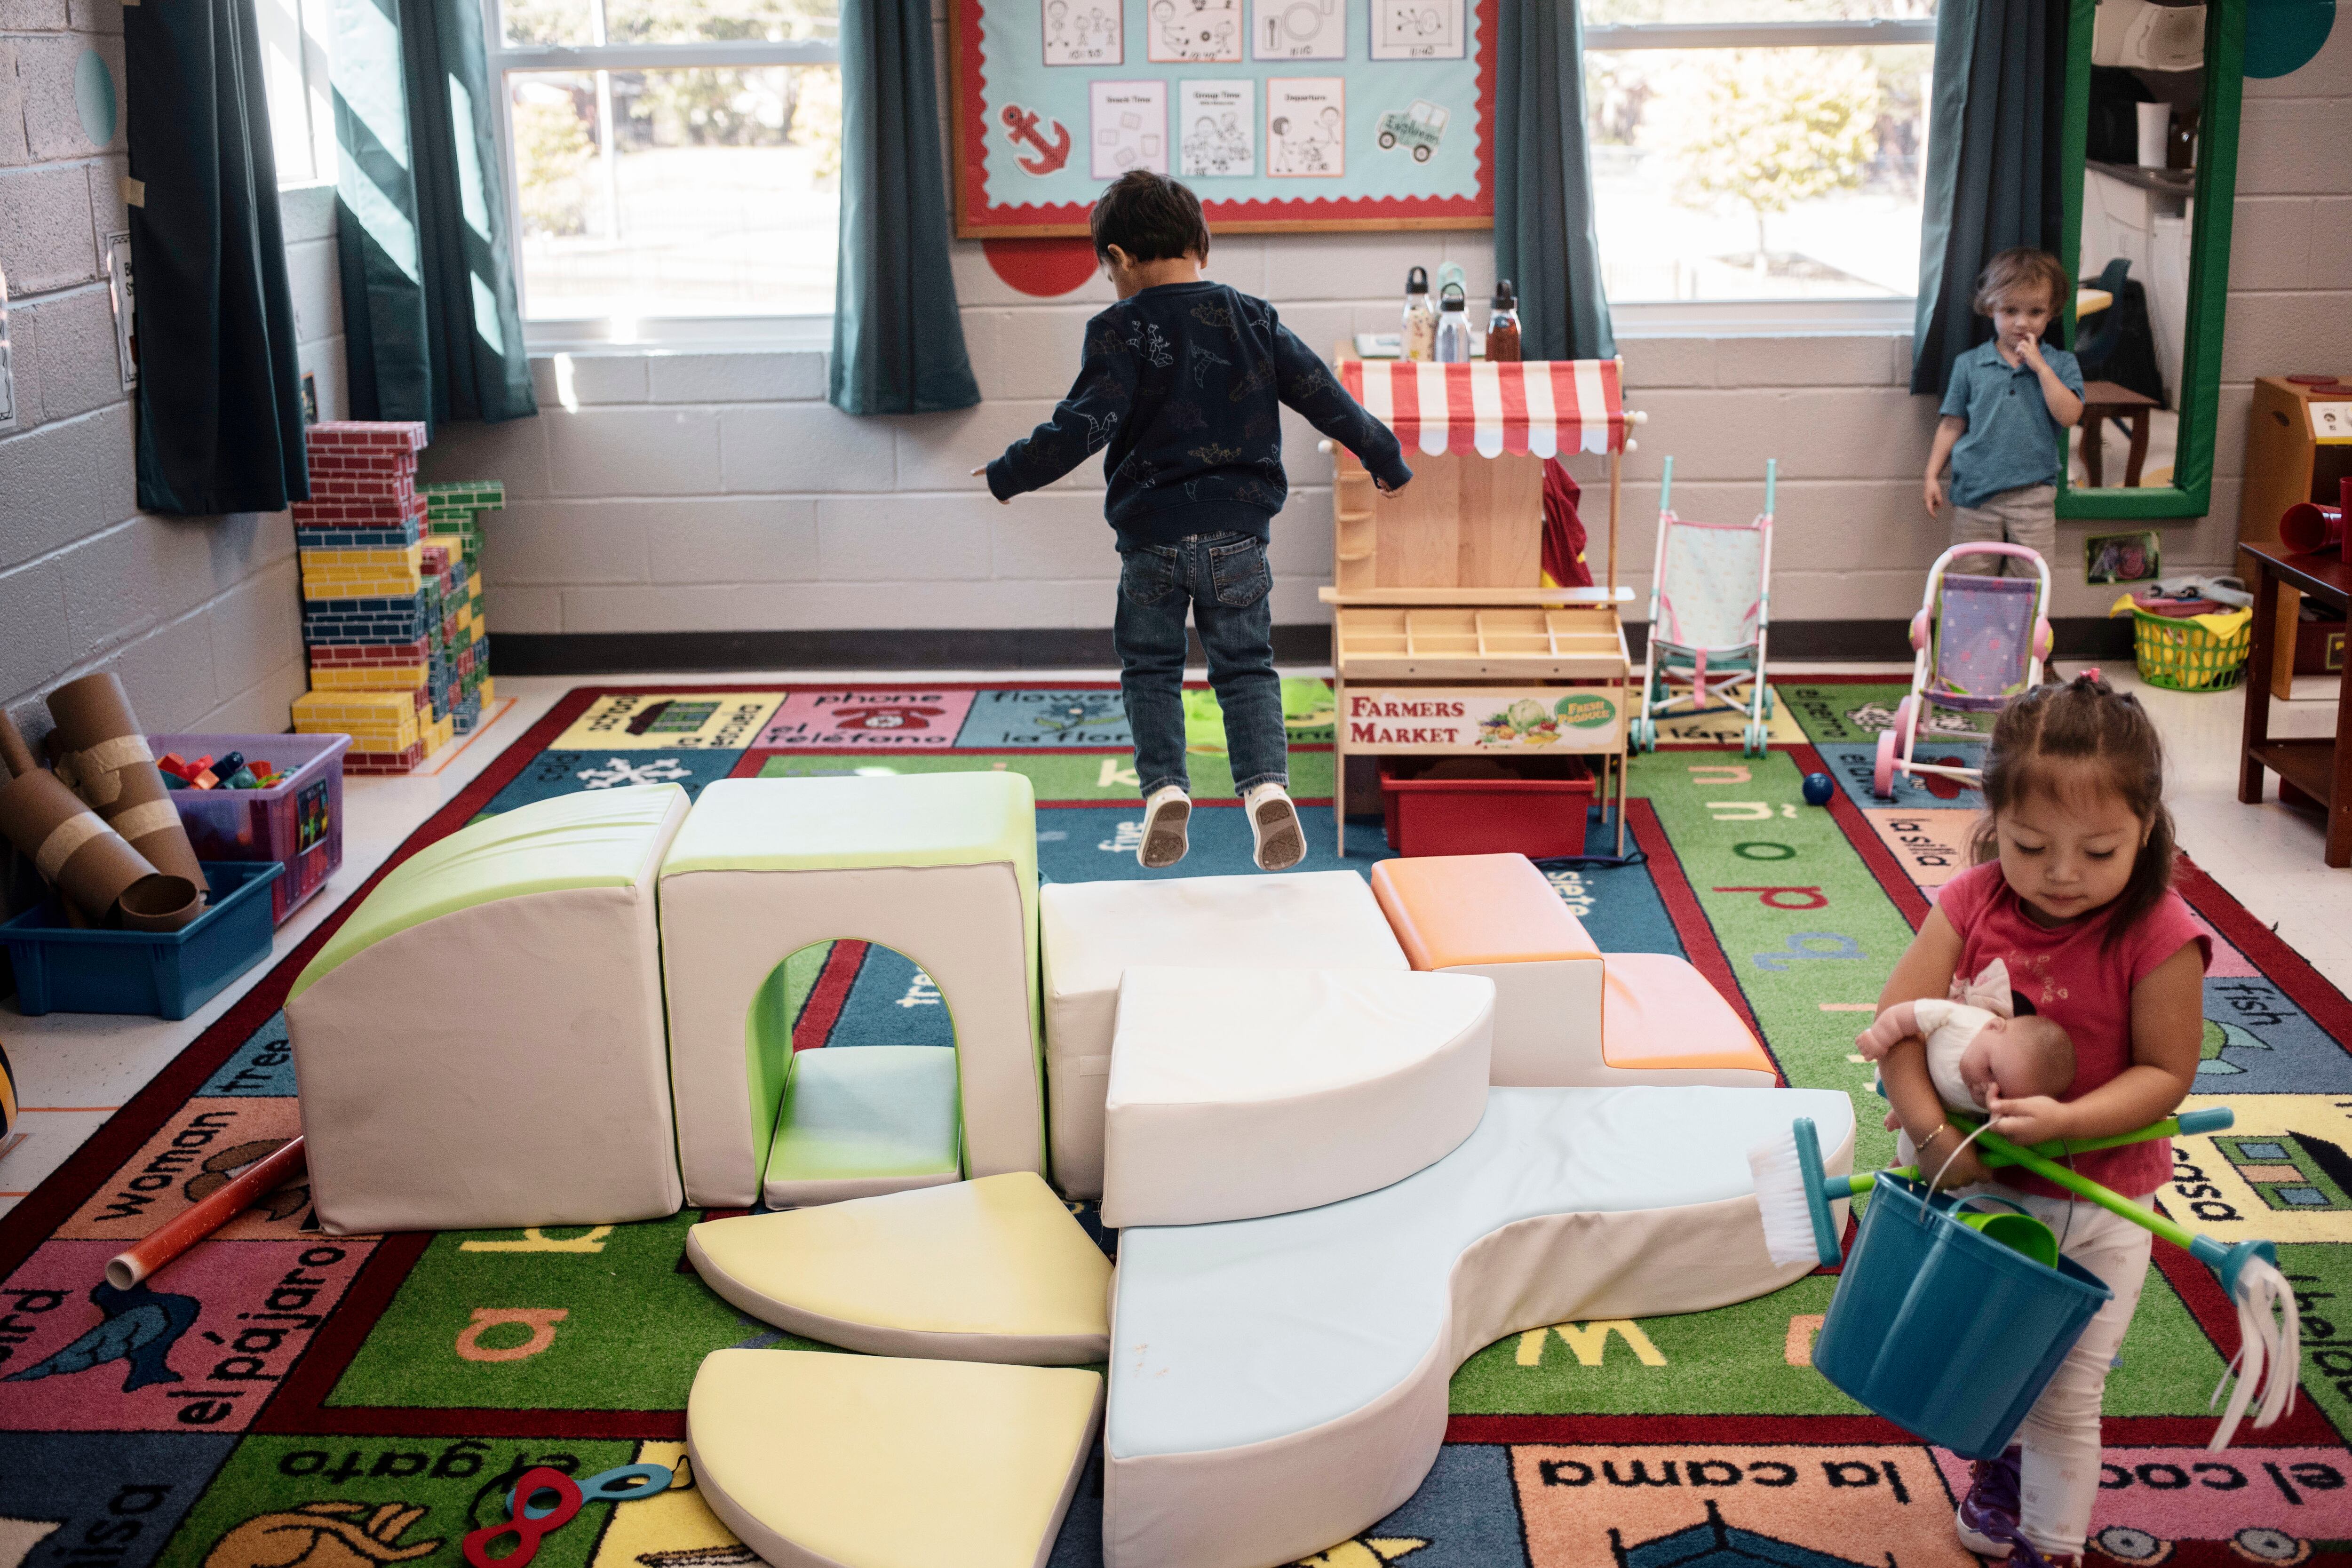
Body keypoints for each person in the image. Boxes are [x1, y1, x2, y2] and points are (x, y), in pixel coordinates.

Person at [1867, 671, 2209, 1568]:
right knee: (1981, 1358)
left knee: (2067, 1393)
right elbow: (1896, 1030)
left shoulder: (2160, 930)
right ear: (1993, 822)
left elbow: (2167, 1071)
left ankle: (2052, 1548)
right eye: (2030, 845)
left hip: (2098, 1204)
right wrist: (1937, 1139)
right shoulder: (1973, 901)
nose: (2063, 874)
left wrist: (2067, 1121)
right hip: (1980, 1199)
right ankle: (2002, 1466)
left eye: (2099, 851)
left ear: (2147, 828)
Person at [975, 171, 1411, 870]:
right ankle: (1267, 788)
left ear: (1117, 259)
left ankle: (1163, 792)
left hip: (1151, 541)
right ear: (1202, 243)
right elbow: (1325, 397)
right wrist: (1385, 458)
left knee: (1150, 668)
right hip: (1238, 536)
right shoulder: (1253, 317)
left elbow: (1082, 426)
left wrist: (1009, 472)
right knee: (1245, 669)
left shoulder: (1118, 328)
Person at [1923, 249, 2085, 577]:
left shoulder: (2061, 364)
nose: (2022, 322)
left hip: (2033, 495)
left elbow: (2069, 415)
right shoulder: (1969, 364)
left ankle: (2020, 633)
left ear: (2051, 312)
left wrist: (2041, 369)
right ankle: (1970, 631)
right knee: (1968, 581)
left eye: (2035, 311)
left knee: (2031, 584)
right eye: (2010, 310)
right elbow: (1952, 424)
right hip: (1976, 495)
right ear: (1991, 307)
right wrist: (1931, 475)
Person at [1854, 993, 2076, 1166]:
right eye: (1989, 1070)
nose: (1983, 1088)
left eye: (2002, 1093)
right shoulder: (1960, 1020)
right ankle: (1901, 1109)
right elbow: (1905, 1015)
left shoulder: (2001, 1074)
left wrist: (1999, 1116)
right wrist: (1879, 1038)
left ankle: (1898, 1168)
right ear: (1993, 1027)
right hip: (1912, 1074)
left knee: (1911, 1157)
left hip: (1944, 1109)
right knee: (1895, 1077)